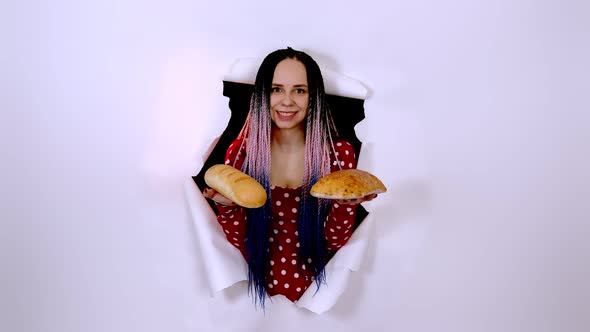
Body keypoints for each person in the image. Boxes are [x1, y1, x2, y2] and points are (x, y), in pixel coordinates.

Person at [203, 47, 377, 307]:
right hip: (250, 295)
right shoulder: (242, 153)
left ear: (313, 97)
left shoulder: (338, 155)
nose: (287, 101)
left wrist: (344, 207)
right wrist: (228, 209)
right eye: (276, 89)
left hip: (319, 293)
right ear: (263, 94)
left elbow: (333, 241)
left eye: (299, 90)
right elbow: (240, 240)